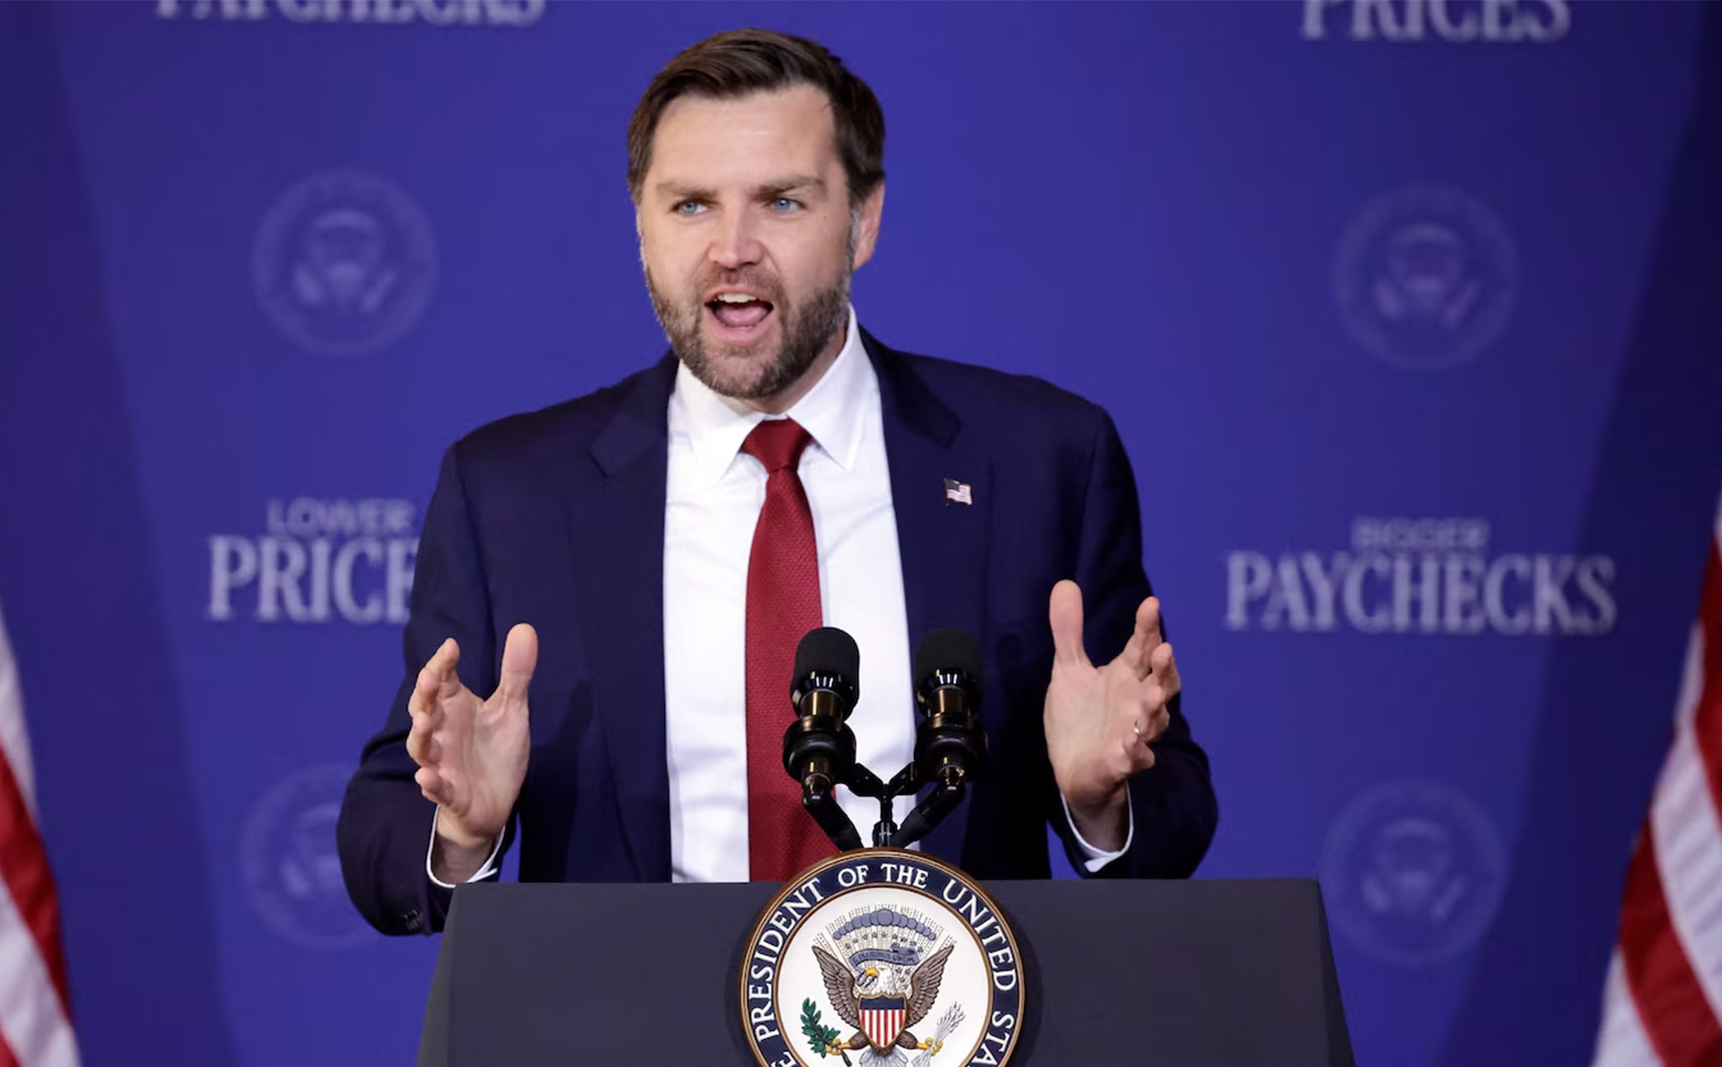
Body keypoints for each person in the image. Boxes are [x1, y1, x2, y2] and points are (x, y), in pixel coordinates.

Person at [337, 28, 1217, 936]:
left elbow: (1174, 806)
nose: (732, 248)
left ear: (863, 221)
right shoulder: (513, 491)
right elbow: (383, 841)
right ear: (639, 223)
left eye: (783, 203)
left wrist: (1100, 803)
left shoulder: (1040, 461)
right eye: (689, 206)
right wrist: (460, 830)